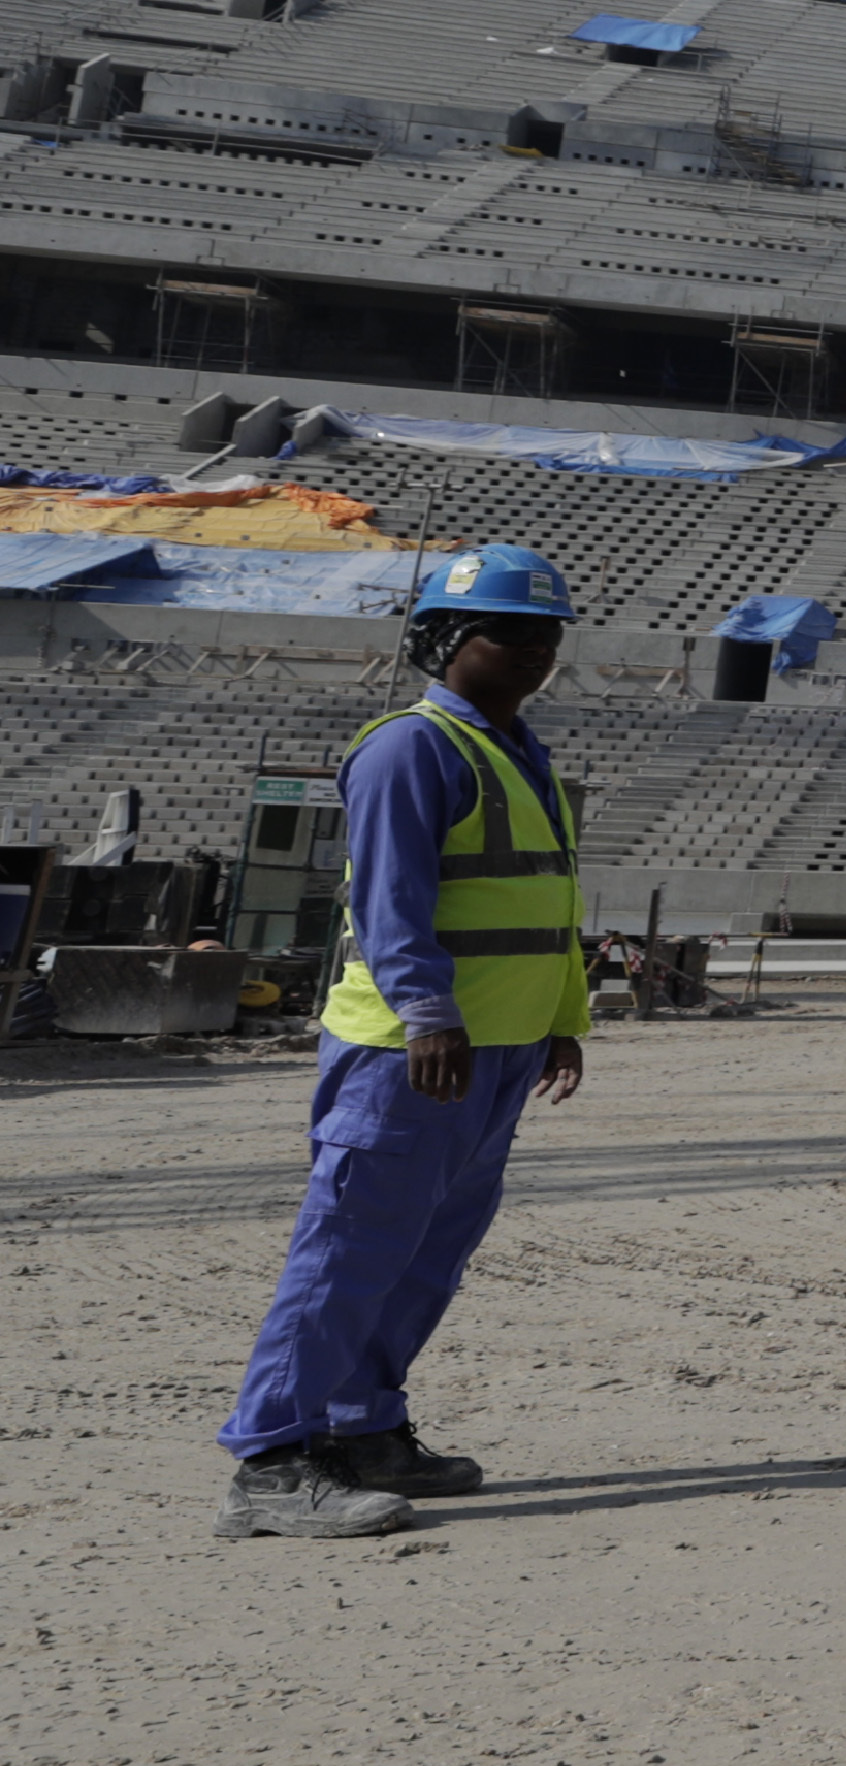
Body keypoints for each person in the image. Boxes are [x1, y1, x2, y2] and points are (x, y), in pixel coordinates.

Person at [212, 544, 592, 1541]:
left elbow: (542, 908)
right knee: (348, 1249)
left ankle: (363, 1427)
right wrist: (428, 1012)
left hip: (498, 1051)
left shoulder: (523, 753)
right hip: (412, 1052)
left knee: (426, 1255)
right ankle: (271, 1460)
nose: (532, 651)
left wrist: (562, 1021)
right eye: (506, 632)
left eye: (545, 634)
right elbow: (392, 906)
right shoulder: (408, 751)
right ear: (443, 641)